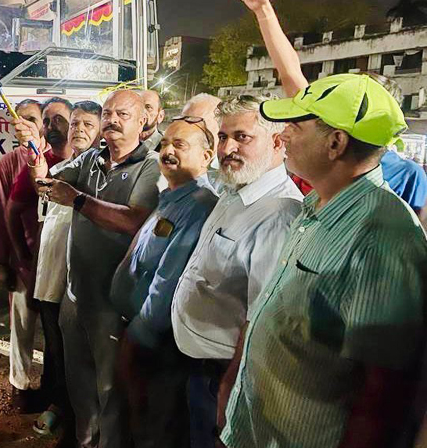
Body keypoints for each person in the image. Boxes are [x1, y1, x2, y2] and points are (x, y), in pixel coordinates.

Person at [219, 72, 427, 448]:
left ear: (335, 142)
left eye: (295, 127)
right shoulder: (314, 206)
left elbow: (383, 393)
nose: (282, 137)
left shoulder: (384, 237)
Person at [15, 89, 162, 448]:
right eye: (108, 112)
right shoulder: (91, 160)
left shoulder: (151, 165)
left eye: (122, 114)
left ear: (142, 121)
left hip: (115, 304)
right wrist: (33, 150)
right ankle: (83, 441)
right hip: (75, 296)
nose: (111, 119)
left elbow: (134, 221)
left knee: (111, 391)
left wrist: (78, 200)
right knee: (79, 386)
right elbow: (46, 182)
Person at [237, 0, 427, 212]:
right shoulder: (317, 126)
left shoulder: (406, 177)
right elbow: (289, 71)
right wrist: (263, 10)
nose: (285, 136)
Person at [170, 94, 303, 448]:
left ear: (278, 142)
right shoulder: (234, 190)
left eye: (242, 137)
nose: (227, 148)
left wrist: (230, 386)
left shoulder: (279, 214)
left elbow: (261, 318)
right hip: (197, 366)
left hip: (221, 375)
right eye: (224, 137)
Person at [111, 116, 218, 448]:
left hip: (157, 345)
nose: (168, 150)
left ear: (206, 155)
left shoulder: (199, 205)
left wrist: (138, 335)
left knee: (156, 428)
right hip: (142, 335)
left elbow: (169, 281)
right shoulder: (171, 197)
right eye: (165, 144)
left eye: (180, 145)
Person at [31, 100, 101, 444]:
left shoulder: (102, 171)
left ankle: (77, 426)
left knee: (79, 360)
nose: (80, 130)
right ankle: (61, 409)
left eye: (89, 124)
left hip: (78, 283)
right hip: (50, 275)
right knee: (57, 352)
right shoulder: (64, 168)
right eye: (75, 124)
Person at [5, 97, 73, 416]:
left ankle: (65, 406)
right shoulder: (40, 159)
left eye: (60, 119)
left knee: (67, 343)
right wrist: (22, 260)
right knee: (46, 335)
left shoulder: (92, 162)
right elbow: (13, 210)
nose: (51, 126)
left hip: (79, 273)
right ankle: (47, 397)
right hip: (41, 266)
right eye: (47, 120)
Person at [0, 98, 44, 409]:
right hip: (22, 259)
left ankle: (56, 386)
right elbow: (0, 212)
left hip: (55, 258)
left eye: (31, 118)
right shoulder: (8, 163)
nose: (24, 123)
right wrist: (2, 264)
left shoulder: (59, 156)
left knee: (56, 329)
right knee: (21, 325)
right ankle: (19, 386)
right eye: (18, 119)